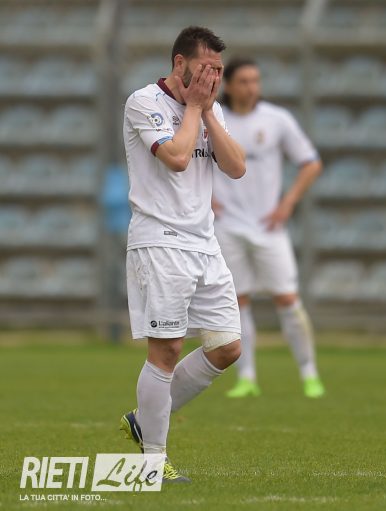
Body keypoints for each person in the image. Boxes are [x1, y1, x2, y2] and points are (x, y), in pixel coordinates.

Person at [119, 26, 247, 481]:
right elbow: (175, 157)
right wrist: (193, 107)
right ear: (179, 63)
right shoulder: (144, 102)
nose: (214, 77)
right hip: (160, 240)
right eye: (206, 68)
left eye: (219, 70)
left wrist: (206, 110)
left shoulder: (210, 109)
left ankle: (144, 418)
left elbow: (236, 167)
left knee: (227, 347)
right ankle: (151, 464)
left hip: (203, 242)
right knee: (168, 349)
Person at [212, 57, 325, 399]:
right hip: (227, 226)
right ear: (229, 85)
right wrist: (206, 198)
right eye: (244, 81)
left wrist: (287, 203)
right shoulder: (214, 118)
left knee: (288, 299)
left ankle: (309, 374)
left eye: (256, 80)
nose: (252, 87)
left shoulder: (276, 119)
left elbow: (311, 163)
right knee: (237, 302)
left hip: (268, 227)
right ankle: (246, 377)